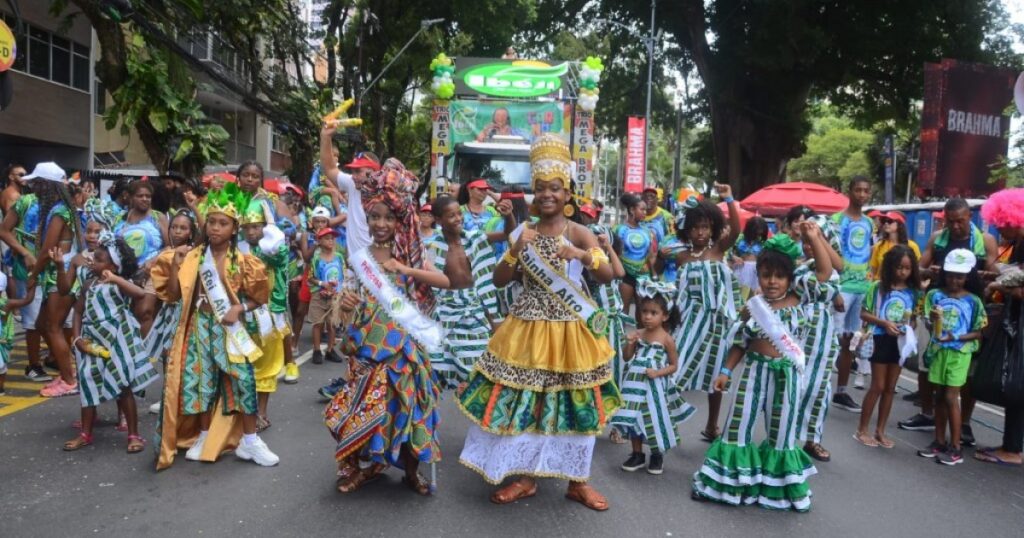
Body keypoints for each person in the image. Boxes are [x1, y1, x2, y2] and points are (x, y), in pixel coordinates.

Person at [456, 134, 620, 511]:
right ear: (533, 193)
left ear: (567, 194)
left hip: (571, 330)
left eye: (555, 189)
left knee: (576, 402)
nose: (548, 195)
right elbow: (500, 280)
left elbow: (610, 274)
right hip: (527, 327)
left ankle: (577, 481)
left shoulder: (580, 231)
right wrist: (515, 249)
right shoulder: (522, 232)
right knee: (528, 403)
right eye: (541, 188)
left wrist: (581, 253)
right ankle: (527, 477)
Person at [324, 164, 448, 495]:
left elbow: (444, 280)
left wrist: (405, 269)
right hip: (366, 345)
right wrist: (345, 303)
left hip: (404, 348)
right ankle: (362, 468)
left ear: (399, 220)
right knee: (362, 410)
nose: (380, 224)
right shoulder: (359, 257)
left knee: (409, 408)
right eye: (374, 217)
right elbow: (346, 297)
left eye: (388, 218)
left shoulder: (411, 252)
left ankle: (411, 472)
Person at [151, 183, 278, 469]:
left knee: (243, 380)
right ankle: (204, 436)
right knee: (201, 384)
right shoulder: (193, 256)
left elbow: (260, 298)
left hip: (230, 328)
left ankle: (250, 441)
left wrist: (239, 307)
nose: (216, 228)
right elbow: (171, 294)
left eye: (223, 223)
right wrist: (175, 266)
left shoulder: (245, 262)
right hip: (199, 325)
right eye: (212, 222)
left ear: (234, 229)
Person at [691, 234, 817, 512]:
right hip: (754, 371)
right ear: (757, 275)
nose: (772, 281)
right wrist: (725, 371)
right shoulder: (753, 309)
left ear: (789, 279)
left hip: (787, 376)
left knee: (782, 434)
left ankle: (778, 492)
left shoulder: (800, 300)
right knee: (737, 426)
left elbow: (825, 271)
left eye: (779, 276)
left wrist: (813, 237)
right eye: (765, 275)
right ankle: (723, 486)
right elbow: (741, 343)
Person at [898, 198, 997, 444]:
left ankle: (963, 424)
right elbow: (918, 269)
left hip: (968, 311)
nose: (955, 227)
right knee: (926, 363)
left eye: (960, 222)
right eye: (950, 222)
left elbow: (995, 270)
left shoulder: (985, 240)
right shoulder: (937, 239)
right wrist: (930, 271)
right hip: (937, 307)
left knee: (967, 373)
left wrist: (985, 274)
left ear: (969, 218)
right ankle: (927, 413)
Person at [58, 234, 157, 454]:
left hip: (117, 340)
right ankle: (85, 433)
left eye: (100, 259)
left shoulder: (119, 284)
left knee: (123, 386)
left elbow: (140, 294)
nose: (93, 261)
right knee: (88, 383)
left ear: (113, 265)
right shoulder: (88, 284)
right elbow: (78, 311)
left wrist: (115, 278)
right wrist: (77, 339)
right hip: (91, 339)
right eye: (94, 257)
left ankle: (133, 434)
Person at [671, 192, 741, 442]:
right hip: (689, 321)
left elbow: (736, 229)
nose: (700, 233)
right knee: (674, 370)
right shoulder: (681, 257)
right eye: (694, 228)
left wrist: (730, 200)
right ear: (686, 231)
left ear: (712, 228)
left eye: (705, 227)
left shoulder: (718, 250)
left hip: (717, 322)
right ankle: (666, 421)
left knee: (716, 375)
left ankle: (712, 425)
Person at [611, 279, 692, 475]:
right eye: (644, 312)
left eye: (653, 313)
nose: (647, 317)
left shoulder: (667, 339)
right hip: (634, 384)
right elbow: (627, 357)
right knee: (634, 417)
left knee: (655, 419)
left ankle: (657, 454)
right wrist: (630, 343)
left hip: (655, 388)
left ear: (664, 316)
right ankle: (637, 454)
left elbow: (673, 366)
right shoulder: (638, 333)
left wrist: (657, 372)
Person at [916, 249, 986, 466]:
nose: (954, 280)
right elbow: (928, 322)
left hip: (959, 353)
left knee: (950, 396)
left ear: (967, 277)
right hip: (938, 351)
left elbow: (978, 331)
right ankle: (939, 441)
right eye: (951, 274)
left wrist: (954, 336)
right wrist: (933, 321)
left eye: (960, 276)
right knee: (938, 396)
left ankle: (955, 447)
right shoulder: (934, 296)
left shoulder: (974, 301)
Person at [426, 196, 502, 389]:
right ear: (438, 219)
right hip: (447, 310)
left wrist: (508, 216)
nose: (458, 218)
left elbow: (507, 234)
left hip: (474, 307)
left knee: (482, 365)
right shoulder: (431, 247)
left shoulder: (474, 238)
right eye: (451, 216)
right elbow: (429, 283)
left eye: (459, 213)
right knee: (439, 361)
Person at [854, 245, 922, 449]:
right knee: (878, 386)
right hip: (880, 339)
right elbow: (864, 314)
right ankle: (862, 429)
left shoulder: (914, 293)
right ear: (890, 266)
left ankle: (880, 430)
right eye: (899, 267)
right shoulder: (877, 287)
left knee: (891, 389)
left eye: (907, 268)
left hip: (900, 342)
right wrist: (885, 324)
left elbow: (914, 319)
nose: (903, 272)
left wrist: (908, 328)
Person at [976, 189, 1024, 466]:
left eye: (1002, 223)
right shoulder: (1018, 243)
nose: (1000, 229)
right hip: (1015, 321)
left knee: (1016, 382)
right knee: (1015, 383)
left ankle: (1013, 449)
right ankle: (1011, 444)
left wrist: (999, 285)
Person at [26, 162, 82, 397]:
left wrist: (33, 275)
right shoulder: (61, 208)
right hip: (57, 274)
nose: (34, 187)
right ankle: (68, 371)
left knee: (53, 327)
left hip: (61, 274)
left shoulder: (59, 211)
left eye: (38, 183)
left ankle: (69, 380)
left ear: (47, 185)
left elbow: (48, 248)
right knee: (42, 325)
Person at [789, 218, 841, 462]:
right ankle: (785, 436)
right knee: (795, 385)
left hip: (824, 338)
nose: (809, 246)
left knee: (820, 388)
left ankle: (813, 439)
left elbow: (837, 266)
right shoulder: (801, 269)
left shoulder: (833, 270)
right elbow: (825, 273)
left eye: (815, 242)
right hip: (801, 334)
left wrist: (817, 237)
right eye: (805, 242)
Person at [240, 200, 291, 432]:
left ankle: (261, 412)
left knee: (266, 365)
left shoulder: (272, 247)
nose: (252, 231)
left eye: (257, 226)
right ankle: (243, 412)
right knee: (243, 364)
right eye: (247, 227)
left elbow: (280, 254)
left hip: (268, 315)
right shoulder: (238, 249)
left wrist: (271, 226)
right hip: (242, 315)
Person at [830, 176, 875, 413]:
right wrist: (835, 288)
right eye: (857, 189)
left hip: (861, 289)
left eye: (866, 190)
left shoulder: (869, 223)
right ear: (849, 191)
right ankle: (816, 387)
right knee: (832, 340)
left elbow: (868, 255)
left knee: (849, 342)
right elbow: (830, 255)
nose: (862, 194)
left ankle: (841, 391)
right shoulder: (836, 220)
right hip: (842, 289)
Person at [0, 174, 49, 382]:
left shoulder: (63, 206)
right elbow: (4, 231)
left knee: (50, 319)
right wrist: (26, 253)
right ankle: (34, 365)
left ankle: (52, 358)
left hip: (54, 271)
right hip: (26, 268)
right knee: (32, 319)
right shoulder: (24, 202)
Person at [115, 180, 169, 338]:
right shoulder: (121, 217)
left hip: (150, 271)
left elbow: (169, 247)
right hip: (124, 273)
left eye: (148, 196)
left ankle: (147, 356)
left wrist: (151, 263)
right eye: (140, 196)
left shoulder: (157, 217)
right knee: (126, 313)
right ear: (130, 197)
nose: (145, 199)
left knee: (144, 311)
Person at [613, 194, 657, 320]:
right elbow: (615, 254)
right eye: (642, 209)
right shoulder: (619, 230)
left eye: (646, 210)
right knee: (623, 311)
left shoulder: (648, 232)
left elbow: (651, 254)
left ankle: (641, 339)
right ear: (632, 210)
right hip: (625, 276)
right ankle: (621, 338)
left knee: (644, 312)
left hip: (643, 276)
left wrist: (652, 273)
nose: (645, 212)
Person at [307, 228, 345, 365]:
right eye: (327, 238)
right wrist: (323, 284)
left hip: (335, 296)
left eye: (332, 238)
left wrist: (339, 290)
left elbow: (343, 275)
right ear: (320, 241)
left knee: (332, 324)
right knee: (318, 323)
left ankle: (330, 349)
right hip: (319, 295)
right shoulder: (316, 259)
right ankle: (316, 350)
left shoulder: (339, 257)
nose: (330, 240)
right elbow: (311, 278)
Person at [0, 273, 35, 395]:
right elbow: (27, 300)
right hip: (3, 338)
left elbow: (27, 300)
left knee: (1, 366)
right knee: (1, 366)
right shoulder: (8, 303)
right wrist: (33, 285)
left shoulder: (7, 303)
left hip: (2, 339)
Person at [869, 211, 921, 279]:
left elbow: (916, 270)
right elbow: (873, 271)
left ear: (900, 224)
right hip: (881, 286)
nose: (886, 223)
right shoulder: (879, 246)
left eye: (890, 221)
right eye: (884, 221)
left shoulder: (912, 246)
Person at [732, 216, 770, 295]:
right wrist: (734, 257)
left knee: (753, 294)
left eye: (760, 233)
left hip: (755, 270)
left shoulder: (764, 242)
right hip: (740, 268)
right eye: (756, 232)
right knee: (738, 292)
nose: (758, 235)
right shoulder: (739, 238)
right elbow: (728, 251)